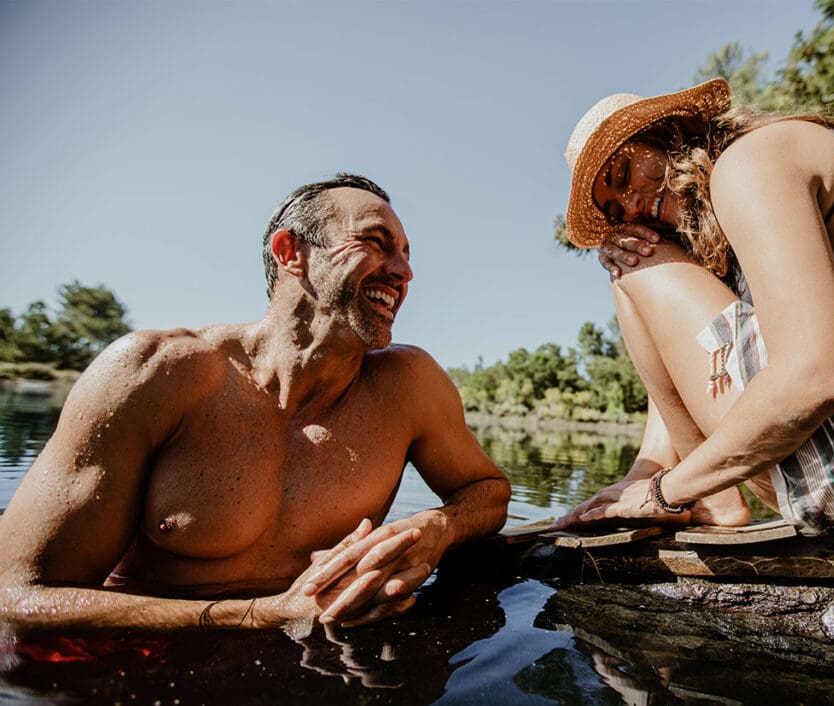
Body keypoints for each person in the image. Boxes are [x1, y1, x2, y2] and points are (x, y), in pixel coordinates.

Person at [0, 173, 511, 630]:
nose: (403, 272)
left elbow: (487, 491)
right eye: (376, 244)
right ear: (290, 252)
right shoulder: (153, 372)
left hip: (313, 658)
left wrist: (435, 526)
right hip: (143, 659)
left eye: (405, 253)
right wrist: (256, 616)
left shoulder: (409, 384)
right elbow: (16, 596)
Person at [552, 79, 834, 535]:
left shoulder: (751, 164)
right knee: (626, 254)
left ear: (666, 131)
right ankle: (697, 490)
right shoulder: (739, 193)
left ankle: (706, 494)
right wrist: (639, 481)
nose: (631, 204)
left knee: (634, 262)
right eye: (615, 207)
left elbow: (819, 375)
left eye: (623, 175)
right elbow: (679, 357)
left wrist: (666, 492)